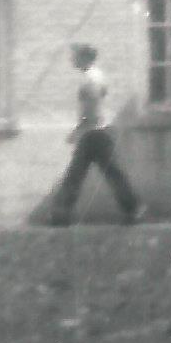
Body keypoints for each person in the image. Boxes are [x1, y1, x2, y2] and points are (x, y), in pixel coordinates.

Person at [46, 42, 142, 226]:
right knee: (108, 173)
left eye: (75, 57)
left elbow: (91, 109)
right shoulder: (97, 76)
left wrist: (79, 129)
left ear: (85, 58)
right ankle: (134, 209)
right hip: (97, 132)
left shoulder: (90, 80)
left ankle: (61, 214)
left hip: (94, 134)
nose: (72, 60)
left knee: (77, 175)